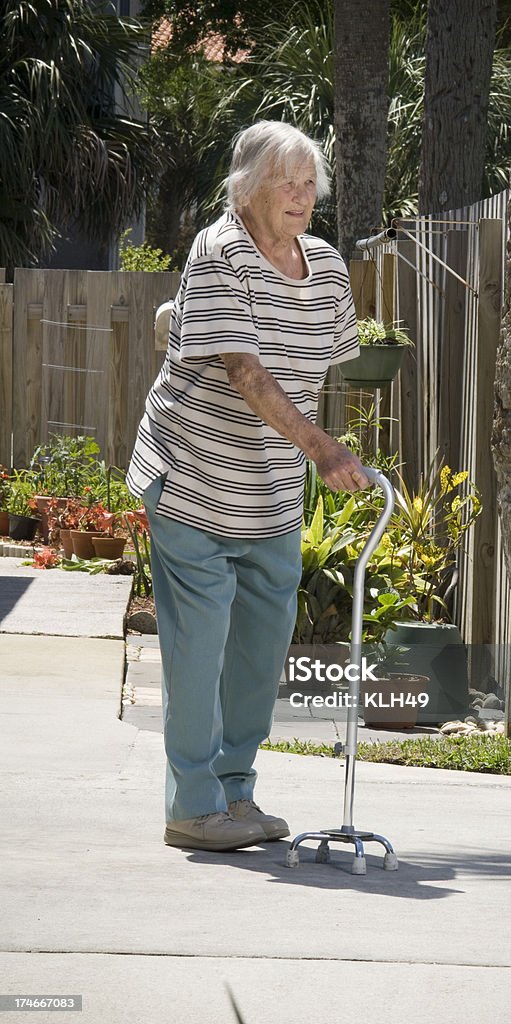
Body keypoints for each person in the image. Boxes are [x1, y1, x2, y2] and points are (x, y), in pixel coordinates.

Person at [126, 121, 368, 852]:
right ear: (244, 187)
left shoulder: (325, 267)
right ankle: (192, 806)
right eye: (283, 183)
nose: (299, 197)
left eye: (308, 185)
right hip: (195, 476)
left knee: (261, 649)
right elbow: (248, 374)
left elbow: (318, 371)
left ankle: (236, 793)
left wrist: (313, 451)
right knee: (200, 645)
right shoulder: (219, 248)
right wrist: (323, 451)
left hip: (268, 490)